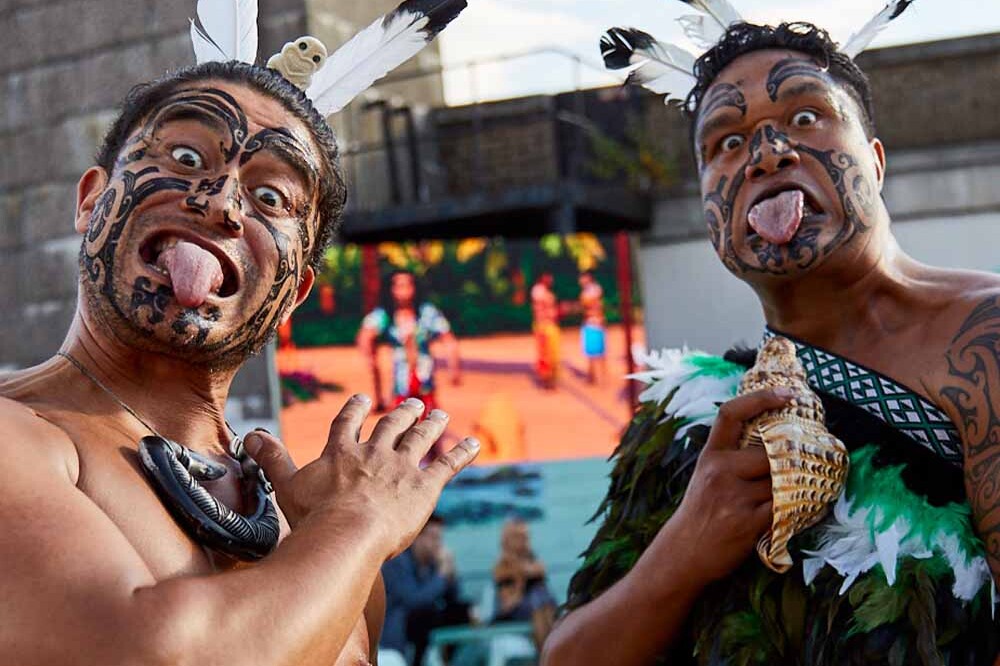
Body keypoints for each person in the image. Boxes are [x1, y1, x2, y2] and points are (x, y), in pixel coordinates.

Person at [0, 16, 479, 666]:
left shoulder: (312, 530)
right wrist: (360, 522)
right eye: (187, 158)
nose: (223, 204)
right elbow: (158, 655)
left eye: (272, 198)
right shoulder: (17, 436)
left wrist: (323, 535)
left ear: (295, 291)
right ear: (91, 202)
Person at [543, 18, 1000, 666]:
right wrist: (687, 546)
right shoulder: (685, 424)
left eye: (808, 117)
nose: (765, 152)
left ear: (873, 159)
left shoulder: (984, 340)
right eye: (726, 143)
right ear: (708, 208)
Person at [357, 270, 461, 416]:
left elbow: (448, 339)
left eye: (407, 285)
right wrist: (371, 359)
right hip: (401, 381)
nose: (403, 290)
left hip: (425, 378)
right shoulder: (386, 314)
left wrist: (453, 366)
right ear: (391, 289)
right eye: (399, 286)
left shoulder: (427, 312)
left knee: (429, 423)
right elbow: (365, 334)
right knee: (401, 423)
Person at [381, 515, 471, 666]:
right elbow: (413, 600)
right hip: (397, 634)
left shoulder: (434, 564)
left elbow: (453, 597)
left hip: (423, 629)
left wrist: (452, 574)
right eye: (434, 538)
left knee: (461, 610)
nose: (438, 544)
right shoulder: (396, 562)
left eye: (440, 539)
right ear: (417, 537)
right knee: (426, 613)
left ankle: (449, 660)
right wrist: (442, 575)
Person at [492, 518, 557, 649]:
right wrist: (521, 577)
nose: (524, 541)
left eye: (525, 537)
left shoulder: (531, 559)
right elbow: (508, 602)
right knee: (538, 605)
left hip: (541, 606)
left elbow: (540, 571)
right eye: (518, 537)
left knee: (545, 604)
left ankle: (553, 652)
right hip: (515, 610)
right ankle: (546, 654)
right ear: (507, 540)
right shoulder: (501, 566)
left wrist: (523, 570)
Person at [530, 272, 560, 389]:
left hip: (551, 325)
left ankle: (552, 379)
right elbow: (542, 305)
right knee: (544, 355)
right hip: (543, 326)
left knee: (554, 355)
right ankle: (547, 380)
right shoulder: (538, 291)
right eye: (547, 277)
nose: (550, 279)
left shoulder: (547, 292)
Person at [577, 271, 607, 385]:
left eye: (582, 278)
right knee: (592, 352)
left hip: (594, 322)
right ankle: (593, 376)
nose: (580, 281)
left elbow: (589, 303)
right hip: (591, 322)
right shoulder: (588, 291)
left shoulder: (593, 290)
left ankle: (599, 376)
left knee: (598, 352)